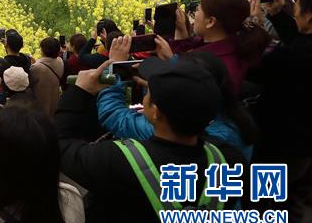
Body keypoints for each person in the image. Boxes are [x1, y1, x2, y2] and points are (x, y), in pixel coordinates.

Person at [57, 56, 246, 223]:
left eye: (150, 91)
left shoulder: (115, 161)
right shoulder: (230, 161)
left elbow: (60, 146)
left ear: (155, 110)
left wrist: (79, 91)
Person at [98, 40, 257, 160]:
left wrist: (110, 67)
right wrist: (171, 61)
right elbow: (193, 79)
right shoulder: (235, 120)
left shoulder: (167, 130)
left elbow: (112, 112)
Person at [245, 0, 312, 223]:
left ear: (309, 13)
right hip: (309, 147)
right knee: (292, 205)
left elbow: (256, 69)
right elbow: (298, 38)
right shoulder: (305, 44)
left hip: (280, 146)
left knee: (261, 206)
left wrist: (255, 26)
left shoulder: (296, 55)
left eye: (297, 6)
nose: (293, 11)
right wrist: (276, 15)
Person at [171, 0, 269, 94]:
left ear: (210, 22)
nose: (195, 13)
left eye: (198, 9)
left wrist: (170, 61)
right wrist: (181, 30)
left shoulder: (211, 65)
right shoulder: (237, 46)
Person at [29, 37, 64, 116]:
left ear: (43, 50)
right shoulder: (60, 62)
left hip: (40, 109)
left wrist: (34, 63)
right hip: (55, 106)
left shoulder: (36, 68)